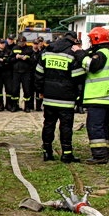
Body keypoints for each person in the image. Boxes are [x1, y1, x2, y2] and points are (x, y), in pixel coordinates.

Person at [35, 31, 85, 162]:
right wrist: (78, 95)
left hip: (49, 96)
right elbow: (78, 78)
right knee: (66, 126)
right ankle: (66, 154)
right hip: (66, 98)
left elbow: (39, 73)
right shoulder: (72, 54)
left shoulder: (47, 51)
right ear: (74, 40)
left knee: (48, 124)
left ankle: (47, 152)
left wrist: (41, 90)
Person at [81, 27, 109, 164]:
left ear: (96, 39)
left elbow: (92, 66)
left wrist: (81, 55)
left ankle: (99, 155)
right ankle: (103, 152)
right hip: (106, 96)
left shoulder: (101, 53)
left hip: (98, 95)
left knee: (95, 126)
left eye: (90, 39)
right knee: (103, 125)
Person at [7, 35, 35, 112]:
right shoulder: (15, 48)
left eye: (23, 42)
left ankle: (27, 107)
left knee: (27, 90)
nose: (21, 43)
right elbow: (9, 60)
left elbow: (33, 61)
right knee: (15, 90)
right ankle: (14, 106)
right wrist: (16, 57)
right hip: (16, 72)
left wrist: (27, 58)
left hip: (26, 72)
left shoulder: (29, 49)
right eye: (20, 42)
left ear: (25, 42)